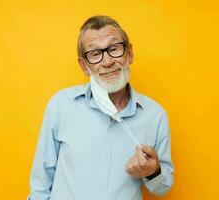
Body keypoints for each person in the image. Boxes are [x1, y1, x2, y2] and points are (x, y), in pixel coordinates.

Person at [27, 15, 174, 200]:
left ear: (129, 53)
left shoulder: (155, 116)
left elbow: (162, 188)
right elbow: (40, 183)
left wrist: (153, 171)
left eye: (114, 49)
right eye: (95, 54)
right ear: (84, 66)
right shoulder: (61, 105)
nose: (107, 62)